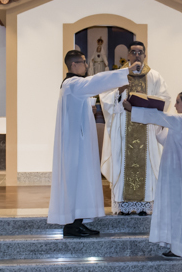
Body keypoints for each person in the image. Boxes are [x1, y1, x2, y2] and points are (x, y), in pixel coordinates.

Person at [49, 50, 138, 237]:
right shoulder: (73, 83)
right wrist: (125, 72)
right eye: (83, 62)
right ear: (74, 65)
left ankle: (78, 221)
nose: (87, 65)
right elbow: (96, 81)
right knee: (78, 181)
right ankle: (72, 225)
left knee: (82, 181)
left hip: (78, 143)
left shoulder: (72, 86)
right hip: (76, 146)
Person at [100, 41, 171, 215]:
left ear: (145, 55)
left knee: (147, 163)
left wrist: (145, 102)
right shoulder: (119, 75)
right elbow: (105, 98)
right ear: (128, 55)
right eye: (134, 52)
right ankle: (123, 204)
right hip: (123, 127)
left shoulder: (154, 76)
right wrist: (119, 92)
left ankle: (144, 205)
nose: (137, 55)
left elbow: (165, 99)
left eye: (140, 52)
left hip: (146, 127)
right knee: (121, 161)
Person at [127, 91, 182, 259]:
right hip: (174, 173)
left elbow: (162, 117)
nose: (175, 106)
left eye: (177, 102)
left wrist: (134, 110)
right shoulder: (179, 123)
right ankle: (176, 246)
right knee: (175, 209)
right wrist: (154, 121)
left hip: (181, 176)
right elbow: (163, 138)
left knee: (180, 210)